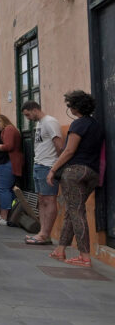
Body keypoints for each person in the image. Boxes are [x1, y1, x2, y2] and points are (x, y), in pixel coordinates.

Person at [48, 90, 103, 268]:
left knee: (76, 212)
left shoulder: (78, 124)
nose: (69, 108)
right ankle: (60, 249)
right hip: (92, 173)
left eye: (70, 105)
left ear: (74, 107)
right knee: (74, 210)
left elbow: (69, 150)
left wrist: (53, 169)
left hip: (75, 172)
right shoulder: (96, 125)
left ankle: (84, 256)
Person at [21, 101, 63, 245]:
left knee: (49, 199)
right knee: (41, 199)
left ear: (34, 110)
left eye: (27, 114)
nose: (28, 118)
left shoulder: (50, 122)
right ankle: (42, 232)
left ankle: (45, 234)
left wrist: (56, 167)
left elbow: (59, 145)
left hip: (48, 165)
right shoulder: (39, 124)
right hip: (39, 164)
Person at [0, 114, 24, 225]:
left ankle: (3, 217)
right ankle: (7, 216)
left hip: (7, 162)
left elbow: (8, 146)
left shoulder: (9, 129)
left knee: (3, 189)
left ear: (2, 121)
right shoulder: (11, 129)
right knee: (6, 189)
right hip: (10, 162)